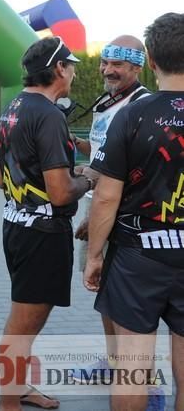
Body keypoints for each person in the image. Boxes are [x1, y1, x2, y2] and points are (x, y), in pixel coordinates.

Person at [84, 12, 184, 411]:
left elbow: (106, 197)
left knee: (132, 367)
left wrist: (94, 256)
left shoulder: (131, 115)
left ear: (152, 63)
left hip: (136, 257)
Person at [0, 36, 92, 411]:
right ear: (58, 70)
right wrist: (89, 178)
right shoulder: (49, 114)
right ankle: (9, 401)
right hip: (42, 231)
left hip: (16, 223)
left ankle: (15, 388)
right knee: (23, 325)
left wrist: (69, 173)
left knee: (20, 319)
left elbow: (2, 179)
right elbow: (61, 193)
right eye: (70, 66)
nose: (71, 73)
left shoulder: (13, 106)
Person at [68, 36, 154, 393]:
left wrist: (96, 199)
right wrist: (73, 143)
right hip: (100, 202)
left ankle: (141, 378)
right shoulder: (108, 102)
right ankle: (114, 361)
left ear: (137, 66)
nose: (108, 70)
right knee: (105, 293)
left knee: (132, 301)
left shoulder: (144, 104)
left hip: (128, 212)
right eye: (105, 63)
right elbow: (102, 148)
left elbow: (139, 166)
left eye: (117, 65)